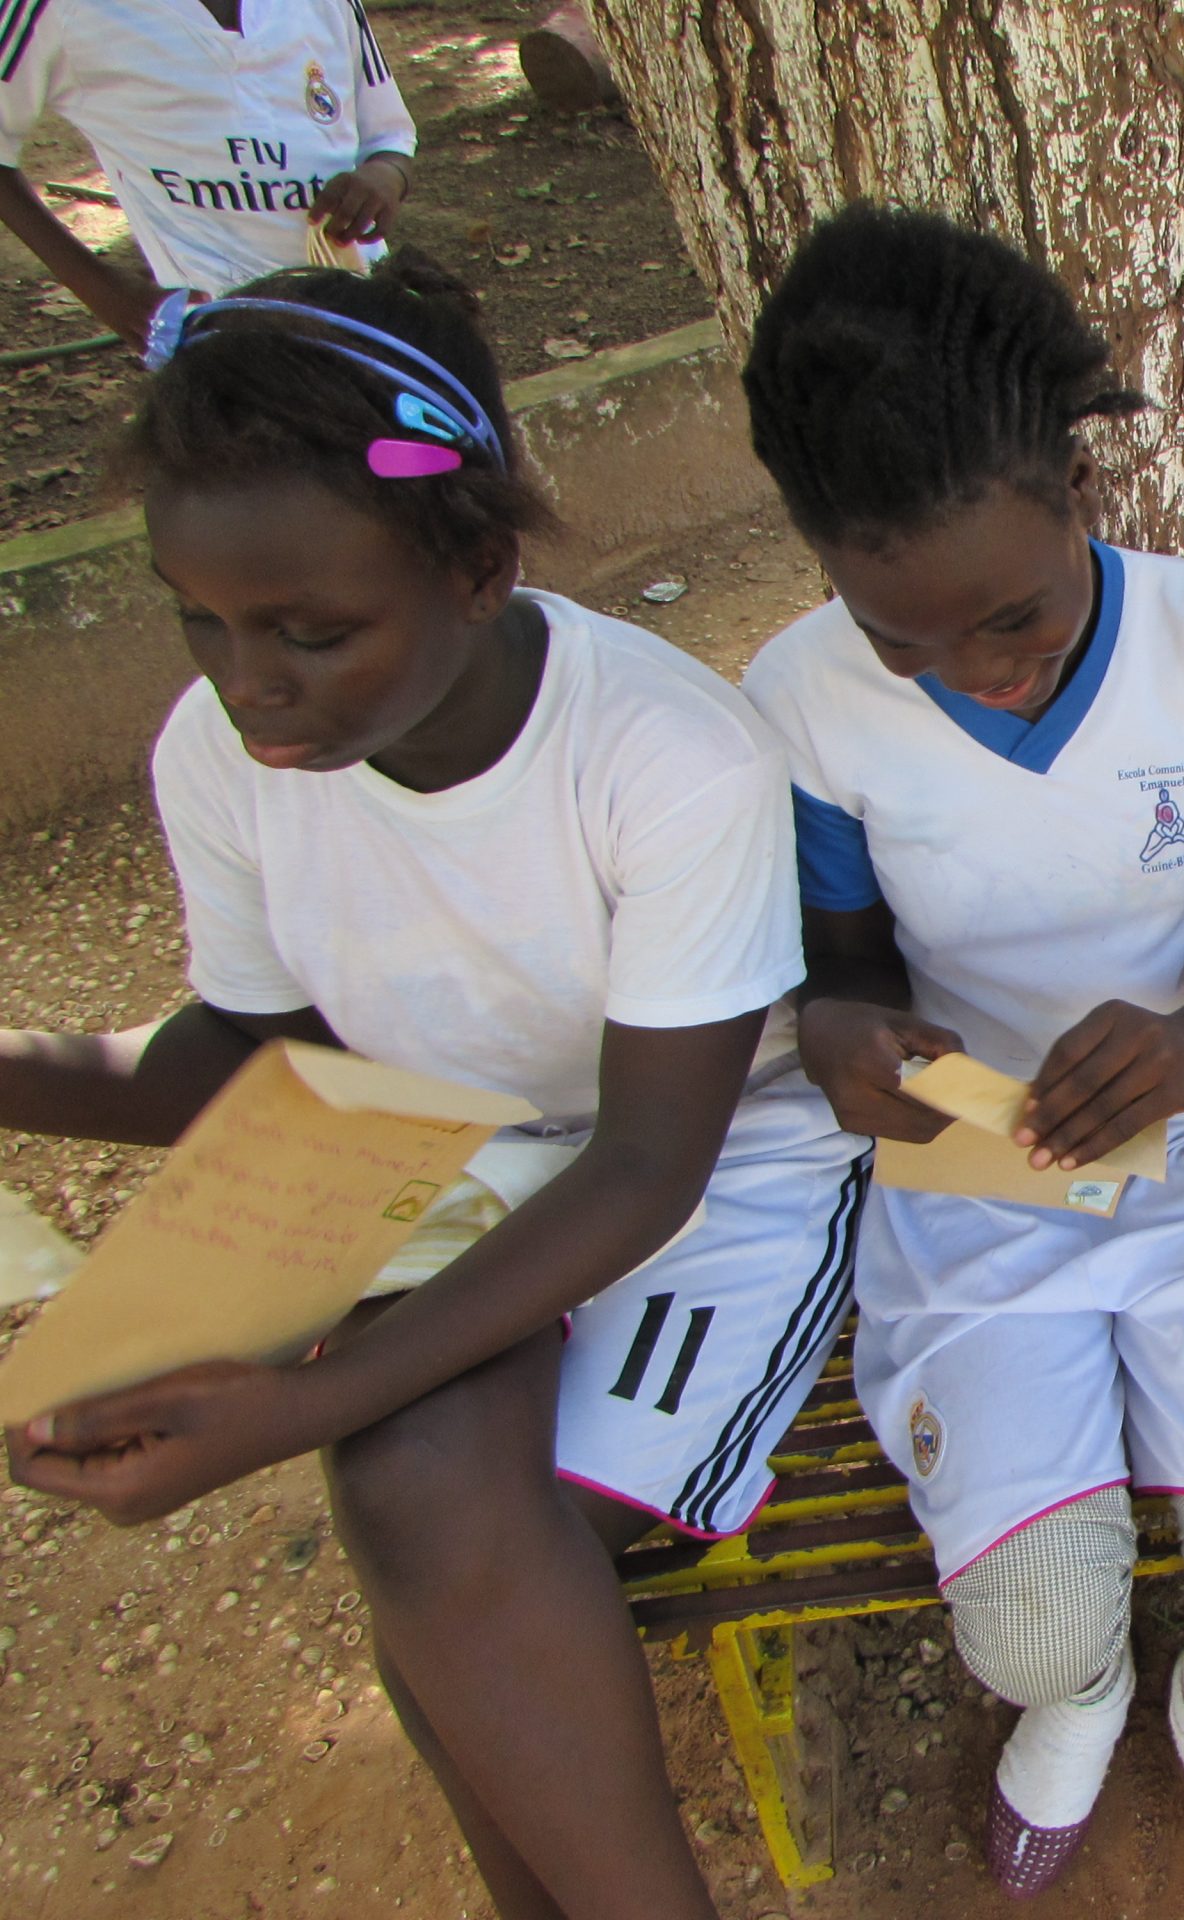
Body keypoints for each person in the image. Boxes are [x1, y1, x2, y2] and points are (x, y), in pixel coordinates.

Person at [0, 260, 863, 1920]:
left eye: (310, 632)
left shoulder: (665, 761)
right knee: (422, 1519)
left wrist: (293, 1409)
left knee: (442, 1558)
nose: (247, 681)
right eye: (199, 618)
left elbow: (645, 1167)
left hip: (714, 1168)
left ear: (477, 567)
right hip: (442, 1156)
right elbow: (249, 1060)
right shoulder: (223, 754)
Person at [738, 204, 1184, 1920]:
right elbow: (847, 965)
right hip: (976, 1161)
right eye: (905, 640)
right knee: (1025, 1629)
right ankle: (1080, 1695)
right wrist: (844, 1032)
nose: (979, 674)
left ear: (1084, 488)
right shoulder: (802, 701)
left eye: (1012, 620)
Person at [0, 0, 415, 354]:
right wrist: (104, 291)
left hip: (369, 317)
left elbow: (388, 134)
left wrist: (385, 175)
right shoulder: (61, 9)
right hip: (217, 344)